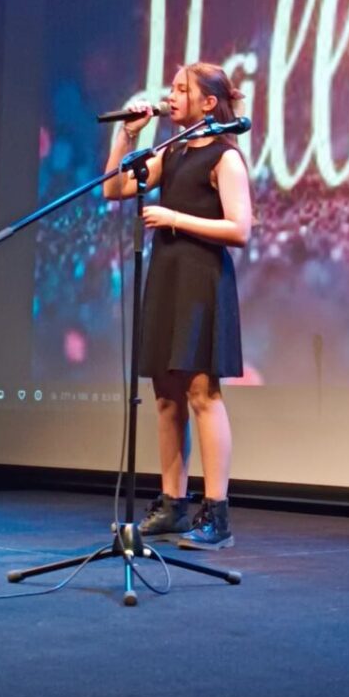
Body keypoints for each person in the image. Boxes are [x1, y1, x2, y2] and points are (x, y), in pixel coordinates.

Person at [103, 62, 252, 549]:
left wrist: (174, 217)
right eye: (171, 88)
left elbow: (240, 229)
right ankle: (172, 506)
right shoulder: (172, 150)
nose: (171, 96)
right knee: (166, 394)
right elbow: (113, 189)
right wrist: (127, 136)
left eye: (181, 89)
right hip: (167, 277)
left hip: (200, 279)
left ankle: (218, 514)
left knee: (201, 393)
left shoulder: (225, 157)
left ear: (208, 103)